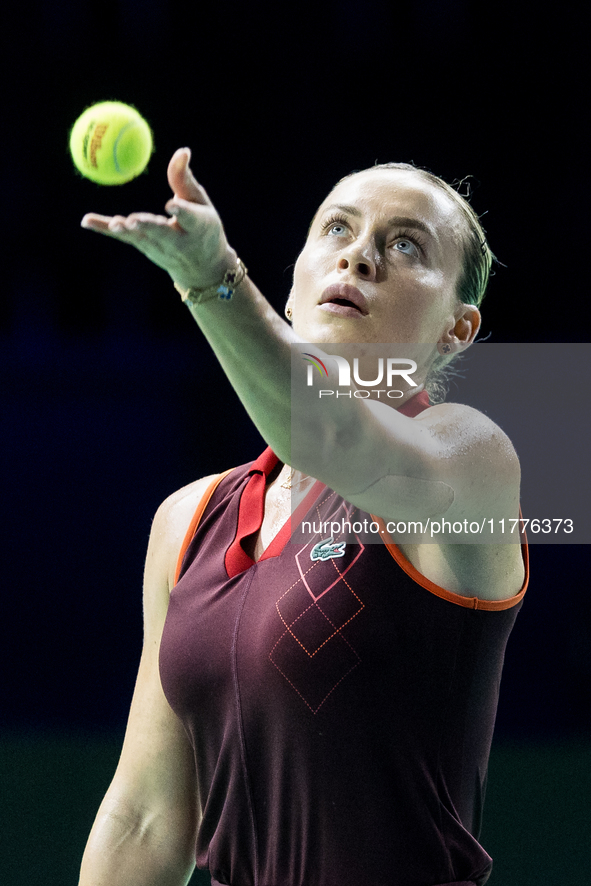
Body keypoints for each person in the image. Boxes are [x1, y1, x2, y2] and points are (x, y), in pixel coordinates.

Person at [78, 149, 528, 886]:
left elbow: (332, 436)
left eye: (405, 245)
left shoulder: (472, 458)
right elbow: (147, 816)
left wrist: (209, 278)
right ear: (289, 285)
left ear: (457, 328)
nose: (359, 257)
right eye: (336, 230)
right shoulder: (188, 520)